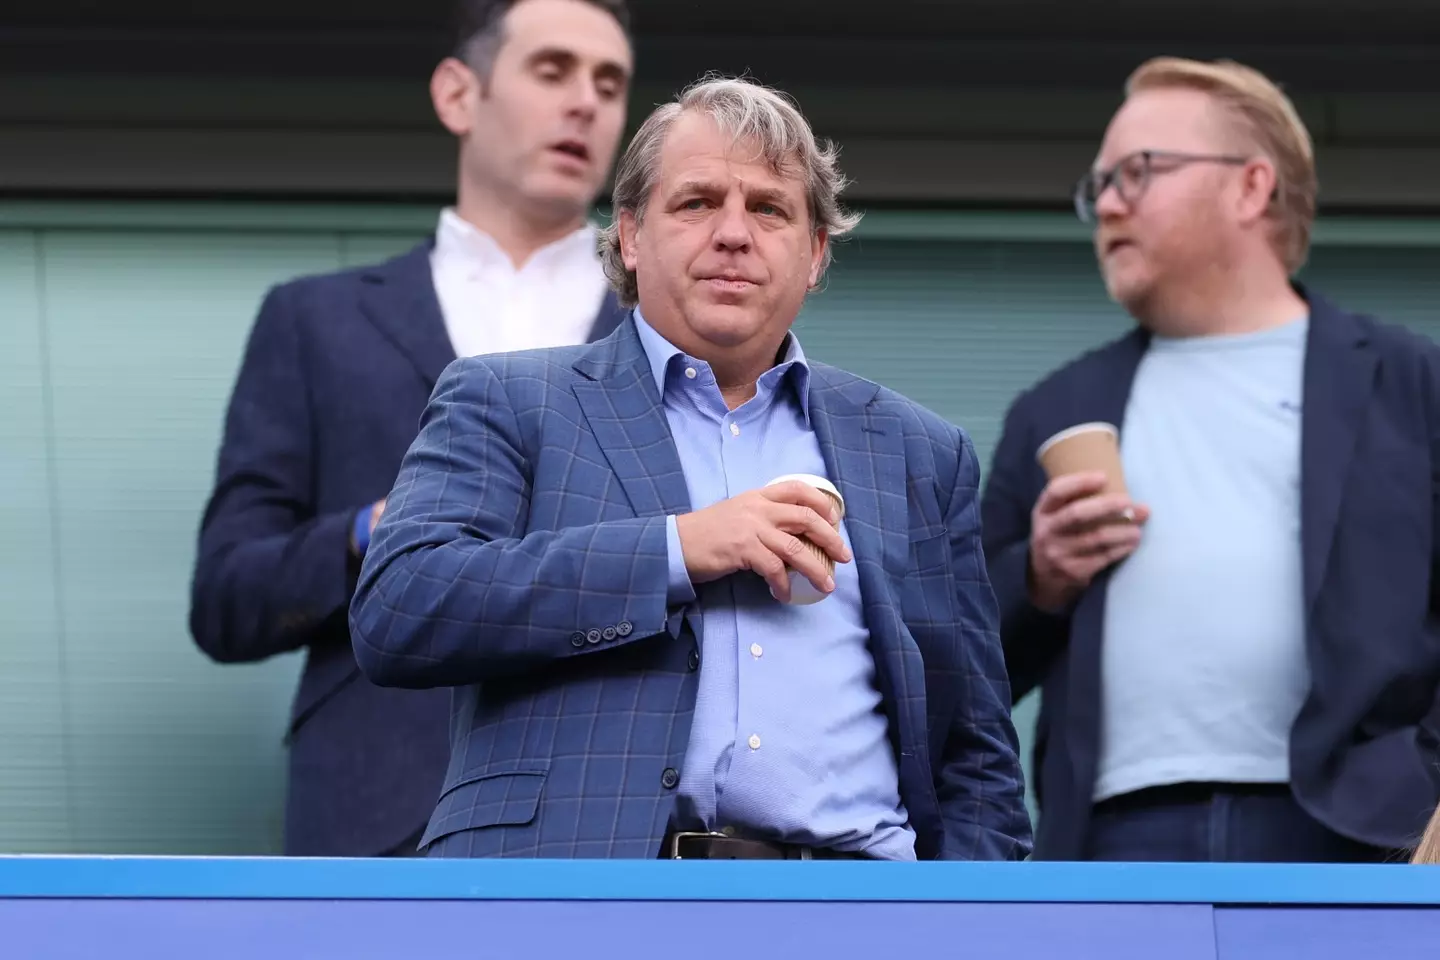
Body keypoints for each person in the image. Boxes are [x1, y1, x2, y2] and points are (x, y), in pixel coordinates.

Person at [349, 75, 1033, 861]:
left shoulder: (920, 453)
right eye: (697, 202)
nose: (734, 234)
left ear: (814, 254)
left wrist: (963, 924)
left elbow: (977, 754)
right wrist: (680, 549)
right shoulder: (507, 399)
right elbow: (400, 610)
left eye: (770, 209)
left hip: (860, 910)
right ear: (632, 236)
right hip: (579, 903)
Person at [188, 0, 634, 858]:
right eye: (552, 71)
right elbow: (225, 598)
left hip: (613, 810)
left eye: (609, 84)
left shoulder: (668, 336)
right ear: (458, 95)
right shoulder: (313, 321)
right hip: (377, 809)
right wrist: (374, 533)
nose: (586, 102)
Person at [981, 56, 1440, 862]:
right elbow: (961, 663)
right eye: (1100, 186)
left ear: (1251, 187)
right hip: (1113, 844)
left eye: (1138, 172)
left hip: (1364, 839)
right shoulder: (1055, 411)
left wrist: (1420, 782)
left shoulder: (1409, 385)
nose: (1108, 204)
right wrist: (1040, 577)